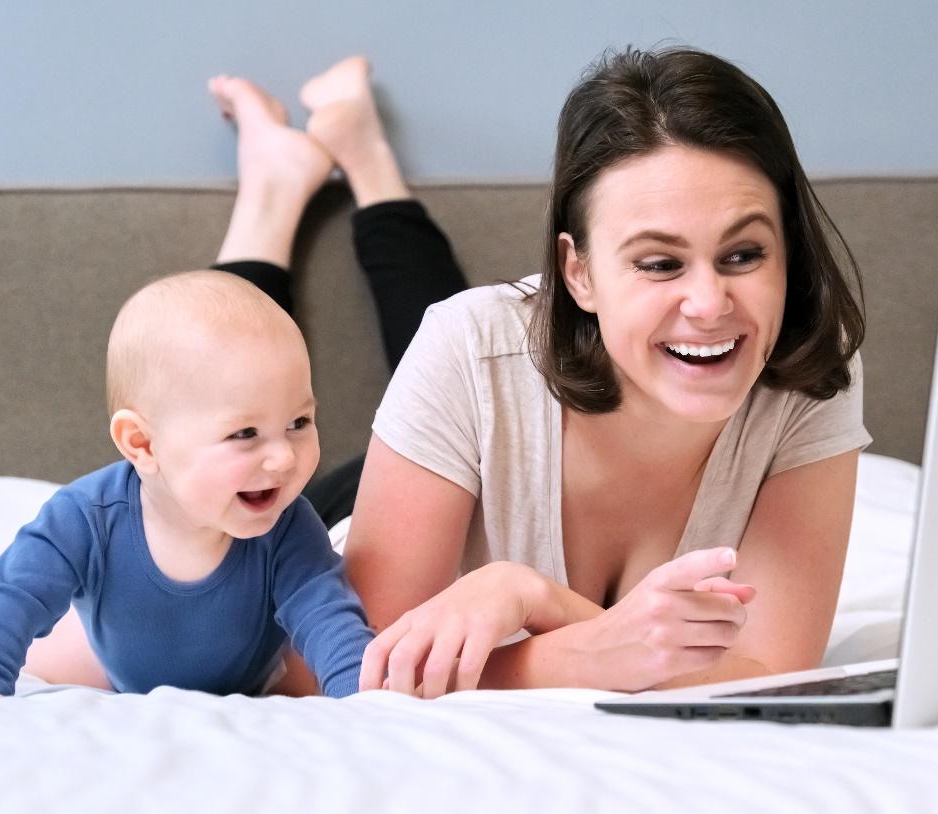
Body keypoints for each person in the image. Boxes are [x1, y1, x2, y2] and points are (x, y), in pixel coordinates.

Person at [343, 47, 870, 697]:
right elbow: (356, 669)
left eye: (743, 253)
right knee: (231, 386)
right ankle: (327, 180)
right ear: (579, 272)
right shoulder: (469, 348)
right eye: (659, 263)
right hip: (354, 486)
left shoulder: (809, 364)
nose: (709, 304)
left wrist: (533, 597)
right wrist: (585, 651)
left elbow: (770, 671)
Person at [0, 270, 372, 698]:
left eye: (299, 422)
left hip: (255, 678)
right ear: (143, 443)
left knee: (304, 666)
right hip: (107, 666)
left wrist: (364, 701)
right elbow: (10, 602)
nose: (284, 458)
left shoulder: (288, 526)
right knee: (53, 656)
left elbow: (329, 618)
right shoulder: (83, 520)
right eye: (245, 433)